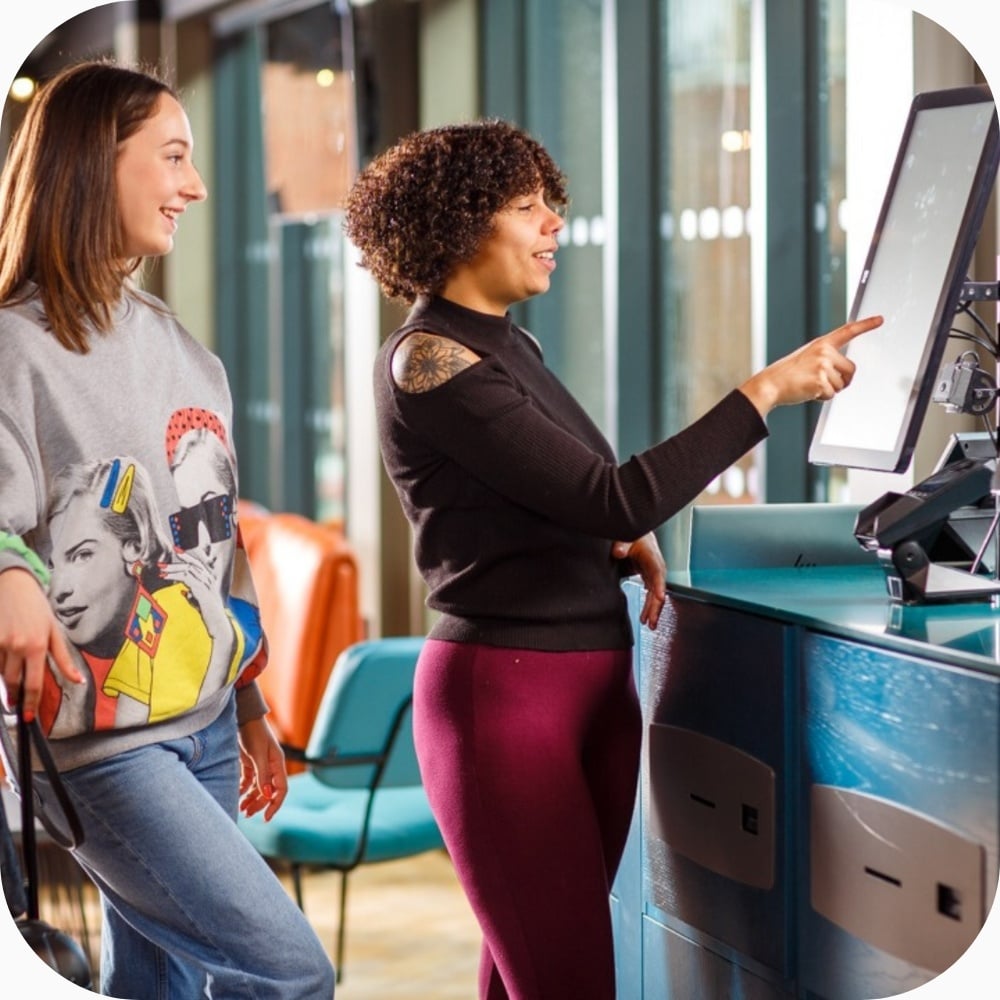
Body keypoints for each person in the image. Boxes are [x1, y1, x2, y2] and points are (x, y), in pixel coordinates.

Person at [343, 118, 882, 1000]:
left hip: (588, 685)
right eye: (528, 206)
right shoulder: (431, 358)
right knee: (568, 982)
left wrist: (615, 540)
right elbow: (616, 493)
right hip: (505, 700)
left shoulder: (509, 346)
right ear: (459, 221)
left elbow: (580, 500)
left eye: (551, 203)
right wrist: (766, 392)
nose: (555, 222)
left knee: (528, 973)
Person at [0, 59, 336, 998]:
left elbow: (218, 549)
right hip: (101, 749)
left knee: (163, 982)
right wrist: (7, 567)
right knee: (289, 973)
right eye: (175, 156)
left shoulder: (186, 352)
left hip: (210, 725)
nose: (194, 186)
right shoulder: (11, 347)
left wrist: (252, 705)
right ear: (90, 162)